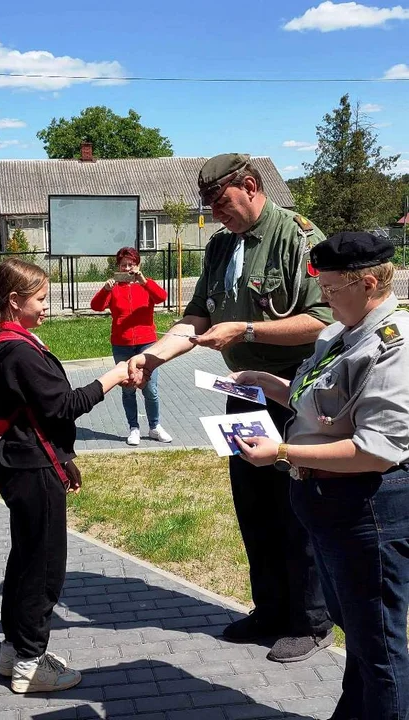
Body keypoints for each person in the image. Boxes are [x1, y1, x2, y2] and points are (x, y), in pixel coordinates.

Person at [127, 153, 334, 662]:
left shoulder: (300, 237)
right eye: (210, 206)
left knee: (297, 508)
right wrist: (151, 357)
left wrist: (246, 330)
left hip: (297, 392)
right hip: (240, 391)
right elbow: (196, 317)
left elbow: (325, 319)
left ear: (250, 186)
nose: (216, 214)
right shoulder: (221, 246)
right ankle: (268, 610)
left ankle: (310, 622)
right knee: (253, 504)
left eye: (222, 203)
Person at [233, 231, 409, 720]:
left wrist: (284, 451)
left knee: (380, 645)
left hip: (367, 507)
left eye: (330, 290)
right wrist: (268, 383)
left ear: (367, 283)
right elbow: (322, 399)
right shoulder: (340, 333)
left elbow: (377, 450)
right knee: (356, 627)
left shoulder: (393, 346)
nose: (324, 301)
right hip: (328, 505)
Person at [0, 258, 129, 693]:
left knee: (24, 560)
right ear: (14, 300)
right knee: (43, 570)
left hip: (26, 461)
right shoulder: (19, 351)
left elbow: (35, 417)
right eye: (40, 299)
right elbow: (63, 405)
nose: (47, 306)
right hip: (30, 469)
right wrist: (114, 376)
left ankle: (14, 652)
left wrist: (63, 459)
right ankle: (30, 665)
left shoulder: (4, 341)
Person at [90, 246, 172, 446]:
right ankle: (133, 428)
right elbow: (96, 306)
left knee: (150, 388)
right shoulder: (114, 288)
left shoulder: (145, 285)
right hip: (122, 345)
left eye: (131, 265)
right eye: (123, 265)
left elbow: (162, 297)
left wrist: (144, 281)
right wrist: (105, 289)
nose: (127, 269)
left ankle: (154, 427)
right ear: (117, 267)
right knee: (128, 389)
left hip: (147, 344)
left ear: (138, 265)